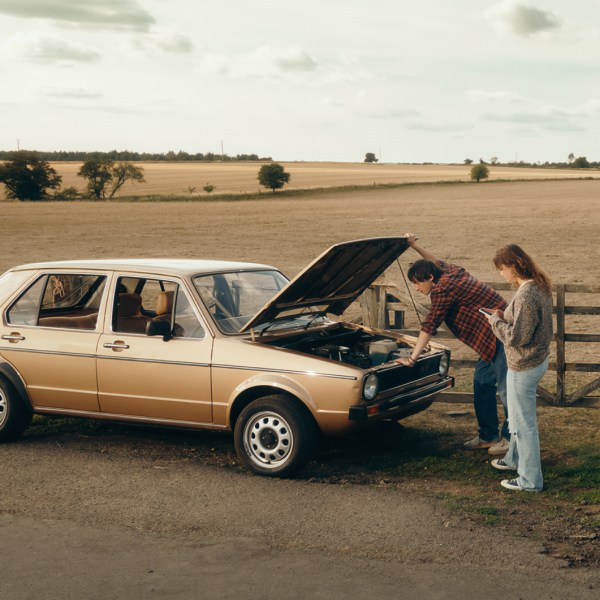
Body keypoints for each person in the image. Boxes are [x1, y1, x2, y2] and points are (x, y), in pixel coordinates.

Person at [397, 234, 509, 454]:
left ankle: (510, 439)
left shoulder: (442, 289)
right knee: (482, 384)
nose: (417, 289)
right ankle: (488, 436)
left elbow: (429, 325)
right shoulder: (450, 271)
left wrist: (412, 358)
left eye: (417, 283)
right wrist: (414, 246)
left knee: (507, 391)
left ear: (429, 277)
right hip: (490, 339)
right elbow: (435, 261)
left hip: (502, 336)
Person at [483, 244, 553, 492]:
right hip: (532, 361)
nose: (501, 274)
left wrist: (495, 322)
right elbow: (527, 323)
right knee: (516, 418)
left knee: (524, 425)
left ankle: (530, 480)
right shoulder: (538, 285)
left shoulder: (526, 294)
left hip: (524, 364)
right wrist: (505, 315)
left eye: (502, 269)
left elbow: (516, 337)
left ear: (513, 266)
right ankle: (514, 459)